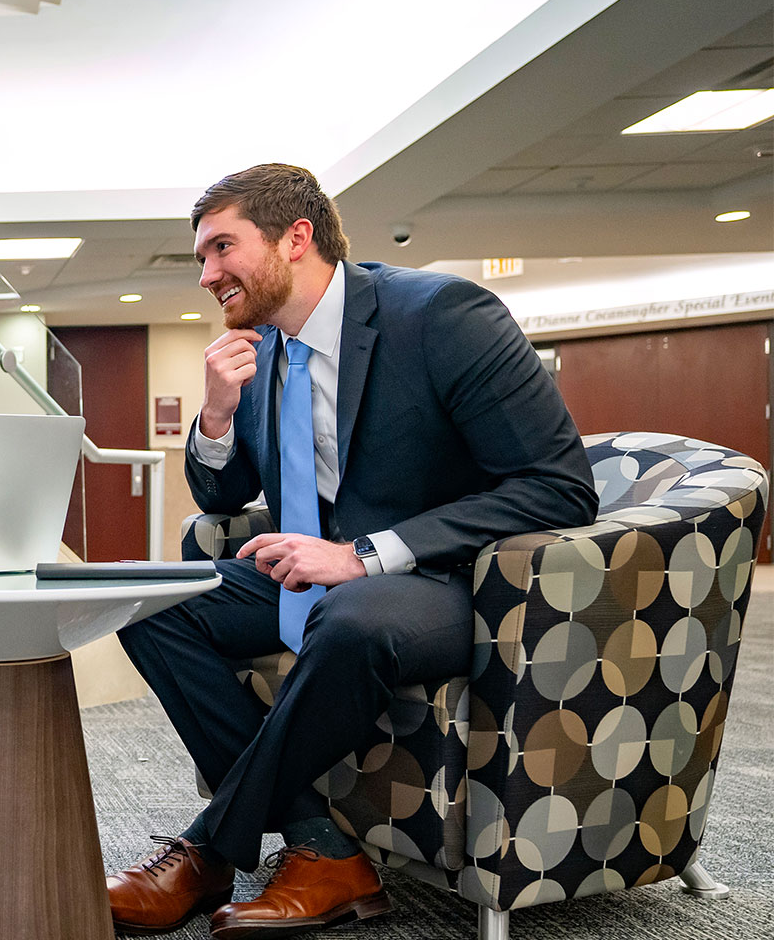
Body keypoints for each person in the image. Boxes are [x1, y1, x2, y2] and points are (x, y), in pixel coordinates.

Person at [104, 164, 597, 939]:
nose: (206, 275)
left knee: (355, 617)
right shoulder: (263, 349)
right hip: (326, 577)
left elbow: (559, 485)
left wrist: (368, 554)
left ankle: (208, 849)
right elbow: (221, 499)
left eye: (221, 248)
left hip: (456, 579)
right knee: (145, 598)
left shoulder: (442, 314)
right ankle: (320, 844)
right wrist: (215, 416)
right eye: (200, 257)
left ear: (296, 238)